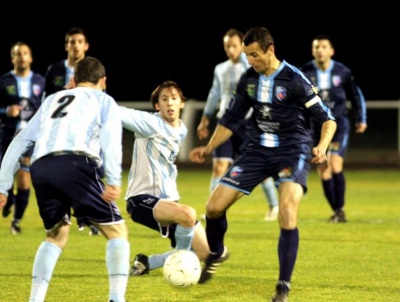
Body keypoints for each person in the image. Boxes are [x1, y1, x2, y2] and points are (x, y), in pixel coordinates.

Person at [189, 27, 337, 302]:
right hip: (257, 151)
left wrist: (322, 146)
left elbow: (328, 119)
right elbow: (230, 119)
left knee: (287, 211)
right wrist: (208, 148)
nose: (250, 60)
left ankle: (283, 285)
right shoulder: (249, 79)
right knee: (213, 207)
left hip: (292, 151)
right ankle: (216, 253)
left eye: (254, 54)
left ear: (270, 50)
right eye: (247, 55)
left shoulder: (295, 79)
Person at [0, 56, 130, 302]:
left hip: (41, 167)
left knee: (56, 235)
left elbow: (21, 139)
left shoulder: (51, 99)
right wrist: (113, 178)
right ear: (103, 81)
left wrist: (3, 186)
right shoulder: (103, 99)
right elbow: (111, 140)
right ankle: (116, 298)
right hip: (76, 164)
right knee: (117, 231)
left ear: (74, 79)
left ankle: (35, 299)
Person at [118, 80, 210, 276]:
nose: (170, 103)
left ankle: (147, 262)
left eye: (174, 99)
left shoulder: (182, 129)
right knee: (188, 214)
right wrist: (90, 97)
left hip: (168, 202)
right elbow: (121, 113)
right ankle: (180, 263)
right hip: (141, 200)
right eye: (164, 99)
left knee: (204, 253)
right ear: (157, 106)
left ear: (181, 103)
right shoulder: (150, 123)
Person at [197, 28, 279, 221]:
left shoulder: (251, 66)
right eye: (227, 46)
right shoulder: (220, 69)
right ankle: (213, 207)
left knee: (257, 167)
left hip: (249, 123)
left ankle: (274, 205)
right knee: (218, 166)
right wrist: (205, 118)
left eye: (234, 46)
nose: (230, 50)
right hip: (225, 122)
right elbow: (214, 94)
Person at [300, 34, 367, 223]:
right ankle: (337, 211)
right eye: (316, 47)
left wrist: (361, 119)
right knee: (323, 170)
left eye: (323, 46)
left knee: (335, 164)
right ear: (313, 51)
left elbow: (356, 95)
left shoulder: (342, 72)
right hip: (316, 128)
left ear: (331, 51)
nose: (319, 50)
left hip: (338, 126)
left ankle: (340, 209)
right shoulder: (304, 72)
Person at [43, 26, 99, 235]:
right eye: (71, 41)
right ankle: (65, 214)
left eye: (79, 41)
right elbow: (47, 101)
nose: (75, 45)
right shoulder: (54, 71)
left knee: (89, 172)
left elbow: (99, 99)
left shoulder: (93, 70)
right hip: (59, 133)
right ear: (66, 45)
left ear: (86, 46)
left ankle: (87, 217)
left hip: (84, 132)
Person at [0, 41, 45, 234]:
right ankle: (9, 200)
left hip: (30, 139)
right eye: (17, 54)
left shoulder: (40, 82)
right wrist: (6, 110)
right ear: (13, 58)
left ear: (30, 57)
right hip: (8, 136)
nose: (21, 57)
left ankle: (16, 221)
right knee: (5, 175)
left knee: (24, 179)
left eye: (25, 53)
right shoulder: (4, 81)